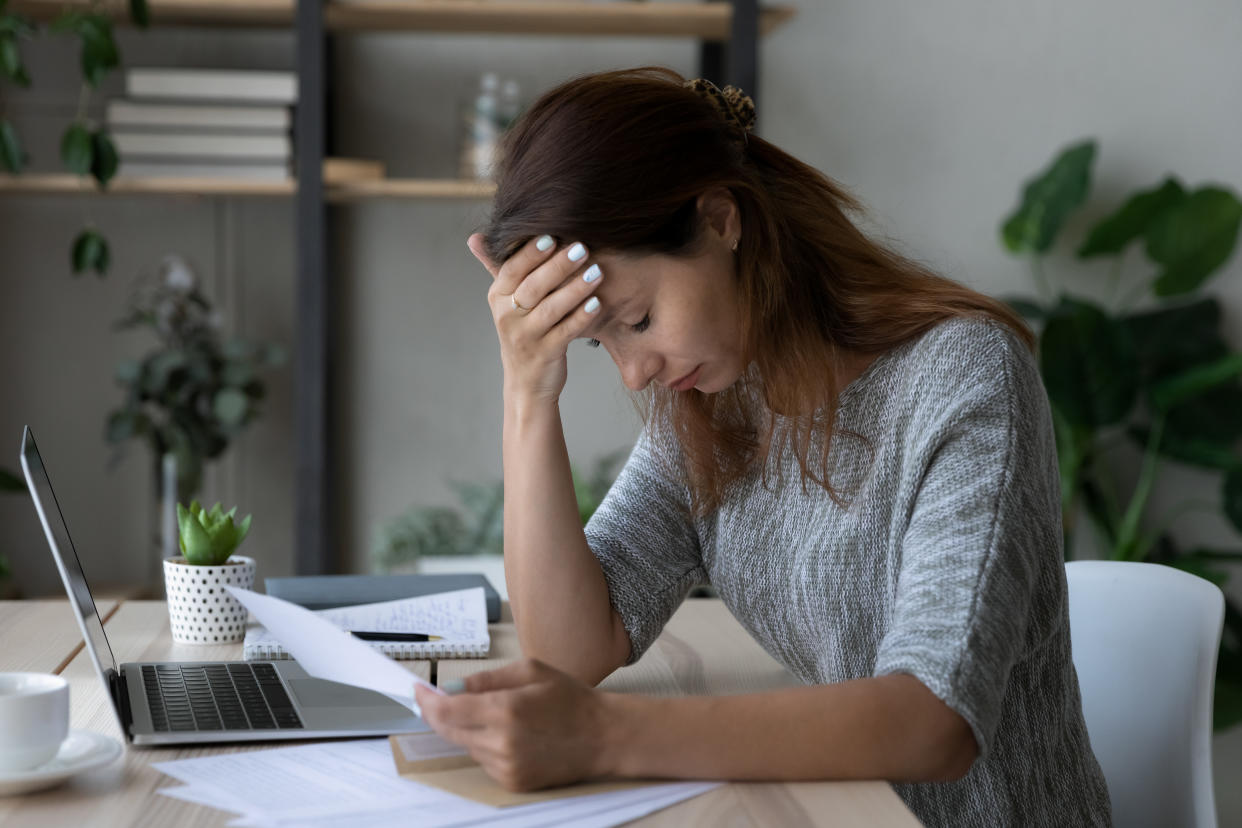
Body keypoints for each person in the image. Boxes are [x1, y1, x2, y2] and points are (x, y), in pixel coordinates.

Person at [412, 66, 1111, 826]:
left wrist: (599, 736)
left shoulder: (963, 378)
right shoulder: (715, 400)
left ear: (721, 220)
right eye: (597, 343)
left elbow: (933, 720)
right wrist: (528, 393)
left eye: (638, 319)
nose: (634, 369)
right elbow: (572, 650)